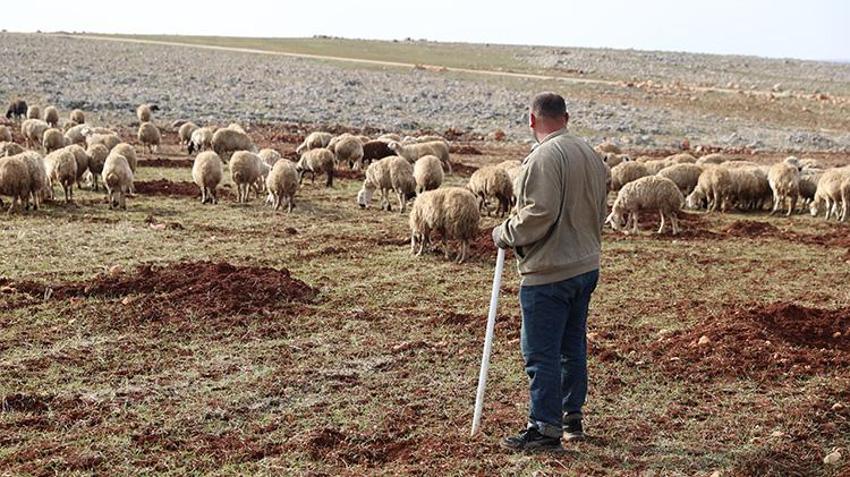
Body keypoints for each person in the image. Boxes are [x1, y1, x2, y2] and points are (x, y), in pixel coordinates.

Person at [492, 92, 608, 451]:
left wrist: (505, 233)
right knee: (572, 345)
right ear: (566, 117)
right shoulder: (589, 152)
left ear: (531, 120)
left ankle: (544, 428)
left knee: (541, 351)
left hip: (550, 270)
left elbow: (538, 214)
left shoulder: (544, 157)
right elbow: (600, 207)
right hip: (585, 264)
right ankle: (571, 417)